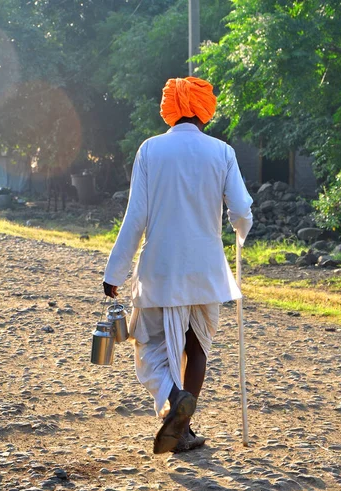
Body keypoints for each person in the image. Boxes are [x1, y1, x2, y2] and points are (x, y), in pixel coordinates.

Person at [103, 76, 253, 454]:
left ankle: (174, 397)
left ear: (170, 109)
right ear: (205, 110)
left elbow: (135, 216)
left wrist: (114, 271)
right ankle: (182, 427)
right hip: (206, 269)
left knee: (150, 343)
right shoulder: (222, 152)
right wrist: (240, 229)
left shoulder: (150, 150)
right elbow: (241, 210)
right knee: (197, 344)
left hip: (161, 268)